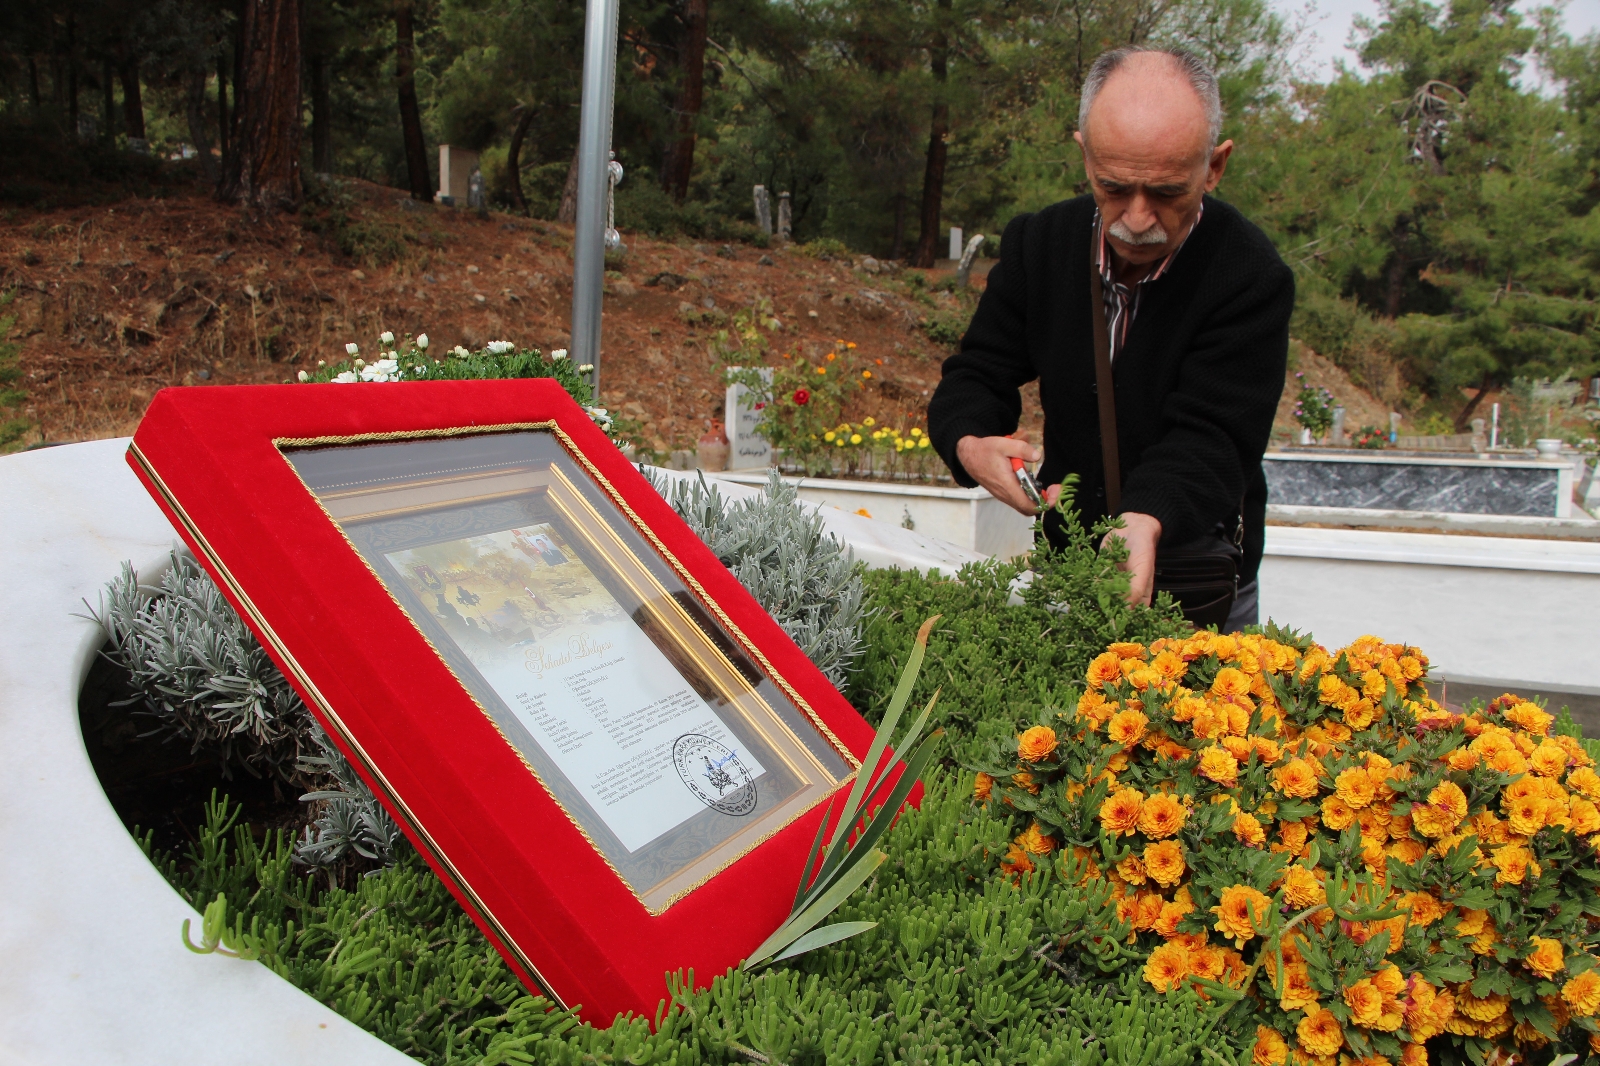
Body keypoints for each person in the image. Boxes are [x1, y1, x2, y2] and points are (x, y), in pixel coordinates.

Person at [926, 46, 1294, 630]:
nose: (1138, 218)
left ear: (1215, 166)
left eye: (1167, 192)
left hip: (1195, 578)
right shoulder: (1039, 244)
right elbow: (978, 372)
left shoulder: (1251, 275)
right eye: (1114, 186)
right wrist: (969, 442)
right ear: (1085, 154)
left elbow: (1216, 436)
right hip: (1069, 568)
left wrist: (1145, 517)